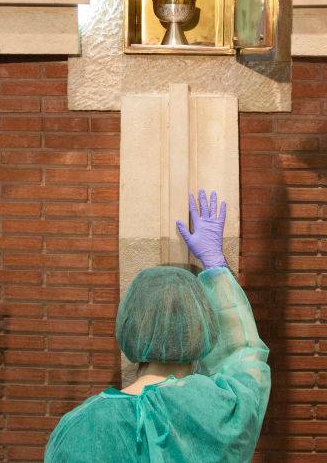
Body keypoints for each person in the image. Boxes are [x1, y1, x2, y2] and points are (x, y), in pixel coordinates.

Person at [44, 190, 270, 462]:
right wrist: (215, 266)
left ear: (130, 326)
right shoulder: (221, 412)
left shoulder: (80, 427)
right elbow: (245, 357)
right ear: (202, 329)